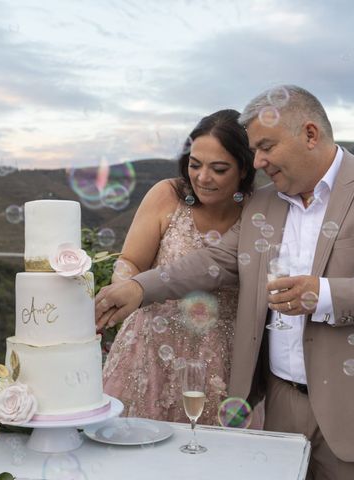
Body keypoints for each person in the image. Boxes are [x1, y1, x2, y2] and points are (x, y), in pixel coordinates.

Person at [96, 85, 354, 479]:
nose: (258, 161)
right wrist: (140, 288)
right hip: (280, 405)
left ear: (310, 134)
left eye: (266, 146)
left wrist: (326, 294)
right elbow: (214, 260)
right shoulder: (264, 203)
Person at [100, 109, 255, 425]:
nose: (202, 177)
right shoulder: (167, 194)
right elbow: (130, 261)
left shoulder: (258, 212)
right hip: (150, 349)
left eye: (219, 168)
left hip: (220, 360)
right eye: (194, 164)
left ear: (243, 169)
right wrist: (124, 286)